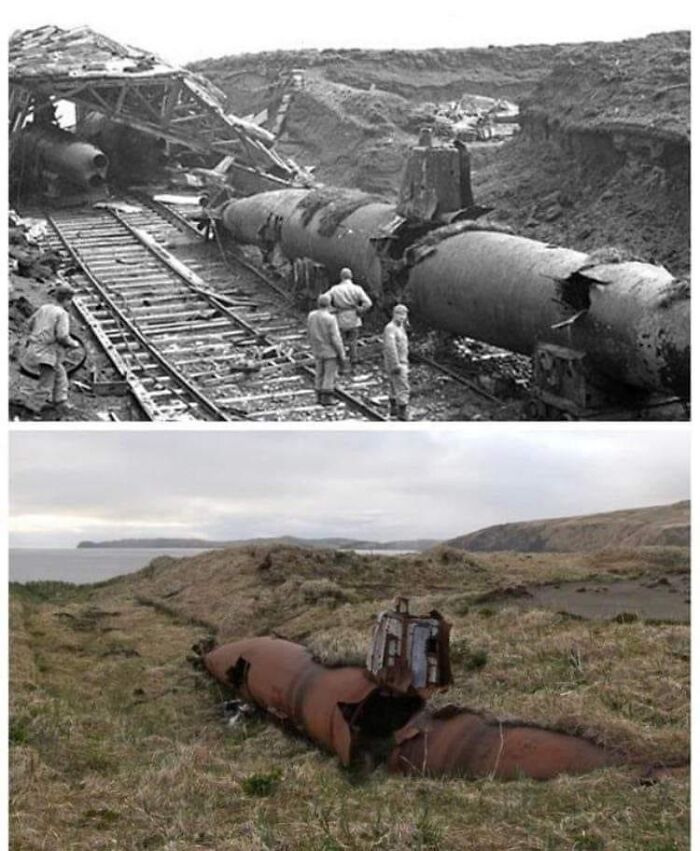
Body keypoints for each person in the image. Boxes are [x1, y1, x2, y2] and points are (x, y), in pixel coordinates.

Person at [23, 283, 80, 416]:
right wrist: (73, 344)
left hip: (34, 348)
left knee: (60, 375)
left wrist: (40, 334)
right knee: (46, 384)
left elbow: (30, 324)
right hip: (46, 353)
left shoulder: (44, 308)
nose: (70, 303)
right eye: (70, 300)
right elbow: (62, 336)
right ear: (67, 300)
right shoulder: (62, 314)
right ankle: (31, 409)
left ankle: (60, 401)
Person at [323, 267, 372, 370]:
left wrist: (331, 309)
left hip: (340, 318)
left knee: (339, 341)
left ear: (341, 277)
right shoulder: (357, 288)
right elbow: (368, 303)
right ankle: (353, 361)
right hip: (354, 318)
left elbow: (323, 299)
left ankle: (342, 362)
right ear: (351, 276)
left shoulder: (335, 289)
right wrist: (360, 310)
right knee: (353, 341)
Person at [307, 293, 347, 406]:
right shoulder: (330, 318)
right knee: (329, 374)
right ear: (329, 304)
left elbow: (309, 331)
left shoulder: (311, 315)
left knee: (319, 372)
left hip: (317, 348)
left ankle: (318, 395)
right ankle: (327, 398)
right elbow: (335, 337)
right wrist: (341, 353)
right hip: (329, 350)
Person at [383, 304, 410, 421]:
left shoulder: (401, 327)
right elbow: (390, 347)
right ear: (394, 314)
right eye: (399, 314)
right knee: (403, 387)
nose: (402, 317)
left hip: (401, 360)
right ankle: (402, 412)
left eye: (404, 315)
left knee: (394, 386)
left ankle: (393, 410)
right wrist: (395, 364)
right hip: (398, 362)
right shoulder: (391, 328)